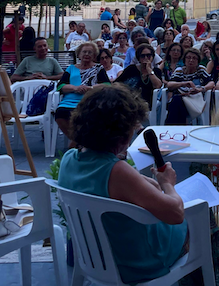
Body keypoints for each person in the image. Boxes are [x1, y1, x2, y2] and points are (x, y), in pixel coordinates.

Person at [58, 84, 188, 285]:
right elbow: (176, 214)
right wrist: (168, 184)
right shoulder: (117, 171)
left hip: (95, 257)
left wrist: (150, 183)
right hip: (137, 263)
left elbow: (121, 186)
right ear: (121, 132)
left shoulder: (69, 159)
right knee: (203, 216)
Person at [55, 42, 110, 142]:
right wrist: (75, 88)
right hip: (69, 102)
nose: (87, 54)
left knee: (92, 114)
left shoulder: (98, 68)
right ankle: (78, 141)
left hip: (90, 101)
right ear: (79, 54)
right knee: (60, 114)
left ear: (94, 55)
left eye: (90, 52)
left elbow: (107, 84)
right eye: (84, 52)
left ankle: (78, 143)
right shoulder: (71, 68)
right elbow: (61, 86)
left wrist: (91, 88)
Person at [165, 48, 214, 124]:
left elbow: (212, 83)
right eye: (188, 58)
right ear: (184, 60)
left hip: (195, 100)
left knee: (176, 101)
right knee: (177, 101)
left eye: (194, 58)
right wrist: (183, 83)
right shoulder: (180, 70)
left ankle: (173, 128)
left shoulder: (200, 70)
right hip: (181, 98)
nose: (191, 60)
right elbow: (169, 84)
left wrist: (201, 89)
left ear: (198, 61)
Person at [116, 43, 162, 109]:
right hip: (129, 100)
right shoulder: (131, 69)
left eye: (148, 55)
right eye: (142, 56)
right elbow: (117, 82)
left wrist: (149, 70)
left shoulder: (156, 71)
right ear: (138, 58)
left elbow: (157, 86)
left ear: (152, 57)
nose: (146, 58)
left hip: (147, 102)